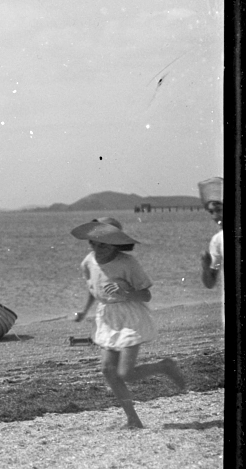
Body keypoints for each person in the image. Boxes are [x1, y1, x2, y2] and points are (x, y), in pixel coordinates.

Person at [71, 218, 187, 429]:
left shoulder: (128, 263)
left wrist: (125, 292)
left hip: (130, 316)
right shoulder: (88, 261)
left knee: (125, 373)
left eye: (103, 244)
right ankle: (133, 419)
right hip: (107, 317)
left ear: (115, 243)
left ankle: (165, 366)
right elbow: (92, 288)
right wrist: (83, 311)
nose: (98, 249)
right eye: (93, 243)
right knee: (107, 370)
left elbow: (146, 295)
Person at [198, 178, 225, 327]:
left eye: (219, 210)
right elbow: (210, 283)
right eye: (211, 212)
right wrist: (205, 267)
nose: (215, 216)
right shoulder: (217, 241)